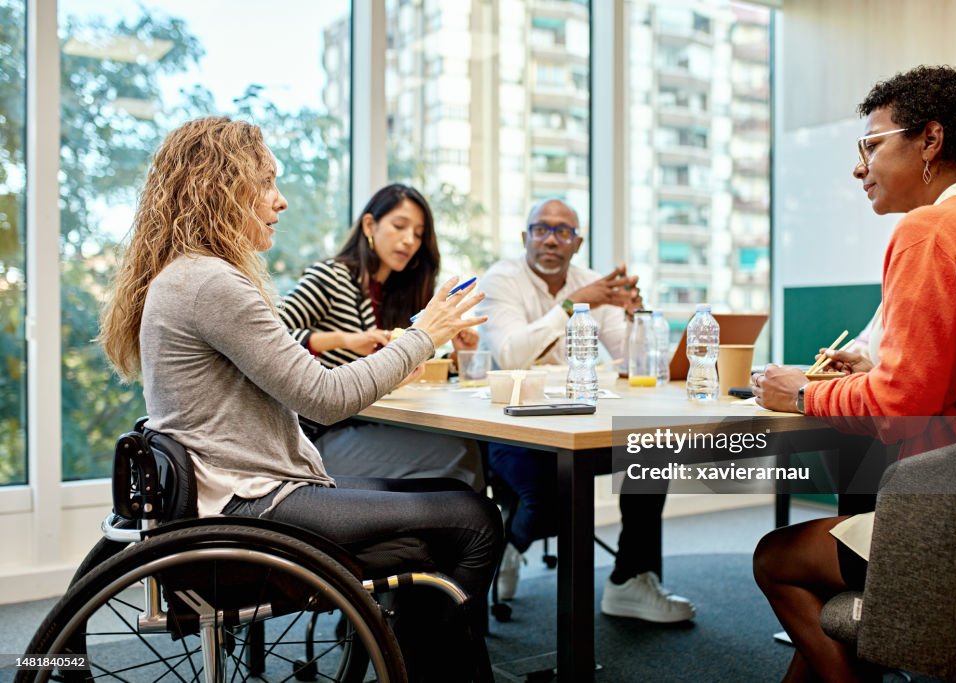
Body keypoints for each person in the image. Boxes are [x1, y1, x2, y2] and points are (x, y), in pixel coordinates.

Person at [97, 117, 503, 682]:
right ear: (221, 186)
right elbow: (326, 400)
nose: (280, 200)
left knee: (445, 504)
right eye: (266, 183)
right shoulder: (212, 284)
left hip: (233, 493)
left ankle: (415, 659)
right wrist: (424, 333)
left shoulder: (183, 277)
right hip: (251, 504)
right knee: (474, 516)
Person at [750, 66, 956, 682]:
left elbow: (900, 408)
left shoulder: (929, 230)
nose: (858, 167)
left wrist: (802, 393)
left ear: (929, 141)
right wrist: (872, 371)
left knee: (775, 556)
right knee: (831, 614)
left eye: (871, 146)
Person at [476, 197, 695, 623]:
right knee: (550, 500)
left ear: (577, 242)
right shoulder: (502, 279)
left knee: (651, 449)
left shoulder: (594, 282)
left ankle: (629, 581)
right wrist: (572, 305)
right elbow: (509, 356)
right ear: (525, 237)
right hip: (514, 428)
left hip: (583, 420)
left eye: (563, 231)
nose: (551, 239)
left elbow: (633, 366)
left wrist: (635, 320)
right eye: (541, 229)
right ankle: (508, 547)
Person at [278, 184, 484, 490]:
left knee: (465, 446)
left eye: (418, 234)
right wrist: (344, 340)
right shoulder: (331, 277)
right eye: (400, 226)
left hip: (372, 424)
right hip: (314, 436)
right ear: (370, 225)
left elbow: (416, 369)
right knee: (460, 455)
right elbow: (273, 336)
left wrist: (457, 354)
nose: (409, 241)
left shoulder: (403, 295)